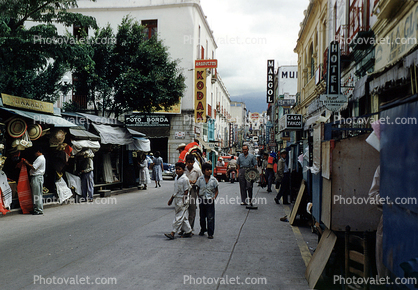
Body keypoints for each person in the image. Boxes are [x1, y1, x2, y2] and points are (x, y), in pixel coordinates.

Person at [165, 162, 192, 240]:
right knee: (183, 217)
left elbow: (186, 191)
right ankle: (188, 231)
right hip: (177, 199)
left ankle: (173, 232)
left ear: (183, 170)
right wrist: (171, 199)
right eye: (176, 169)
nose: (177, 170)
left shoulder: (185, 179)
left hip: (183, 200)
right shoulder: (177, 178)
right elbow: (175, 190)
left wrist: (184, 202)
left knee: (179, 217)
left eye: (179, 169)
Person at [196, 162, 219, 239]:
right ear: (203, 171)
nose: (209, 171)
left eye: (210, 170)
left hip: (210, 201)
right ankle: (203, 229)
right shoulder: (200, 179)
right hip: (202, 200)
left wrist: (214, 198)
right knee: (202, 217)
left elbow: (216, 190)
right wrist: (199, 196)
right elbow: (197, 188)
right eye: (207, 170)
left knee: (210, 217)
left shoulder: (213, 180)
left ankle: (210, 233)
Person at [23, 147, 46, 215]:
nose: (35, 154)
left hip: (37, 177)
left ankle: (38, 210)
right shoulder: (42, 158)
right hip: (39, 177)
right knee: (38, 194)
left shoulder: (40, 158)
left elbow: (34, 167)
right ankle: (38, 209)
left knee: (36, 194)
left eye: (35, 153)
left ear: (38, 151)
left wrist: (27, 163)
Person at [184, 154, 202, 233]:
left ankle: (190, 228)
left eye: (191, 162)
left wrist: (196, 182)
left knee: (192, 209)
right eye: (188, 162)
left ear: (194, 162)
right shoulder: (183, 170)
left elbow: (201, 179)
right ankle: (183, 228)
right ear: (186, 162)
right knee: (183, 209)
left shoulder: (197, 170)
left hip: (193, 190)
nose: (190, 164)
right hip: (184, 191)